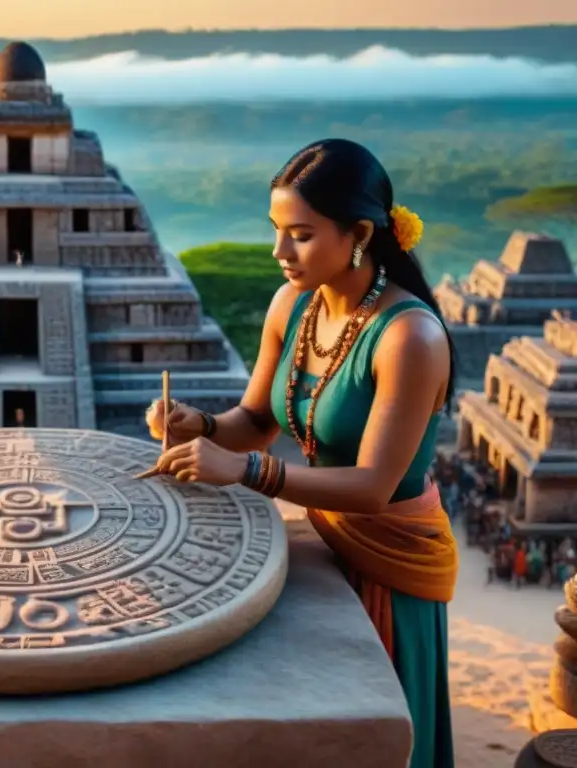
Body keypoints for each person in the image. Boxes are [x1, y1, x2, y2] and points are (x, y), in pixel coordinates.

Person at [144, 139, 457, 768]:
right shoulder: (293, 305)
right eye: (277, 231)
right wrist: (197, 424)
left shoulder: (409, 337)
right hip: (325, 536)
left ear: (360, 234)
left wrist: (244, 471)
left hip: (390, 556)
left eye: (301, 235)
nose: (279, 253)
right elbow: (255, 421)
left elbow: (371, 486)